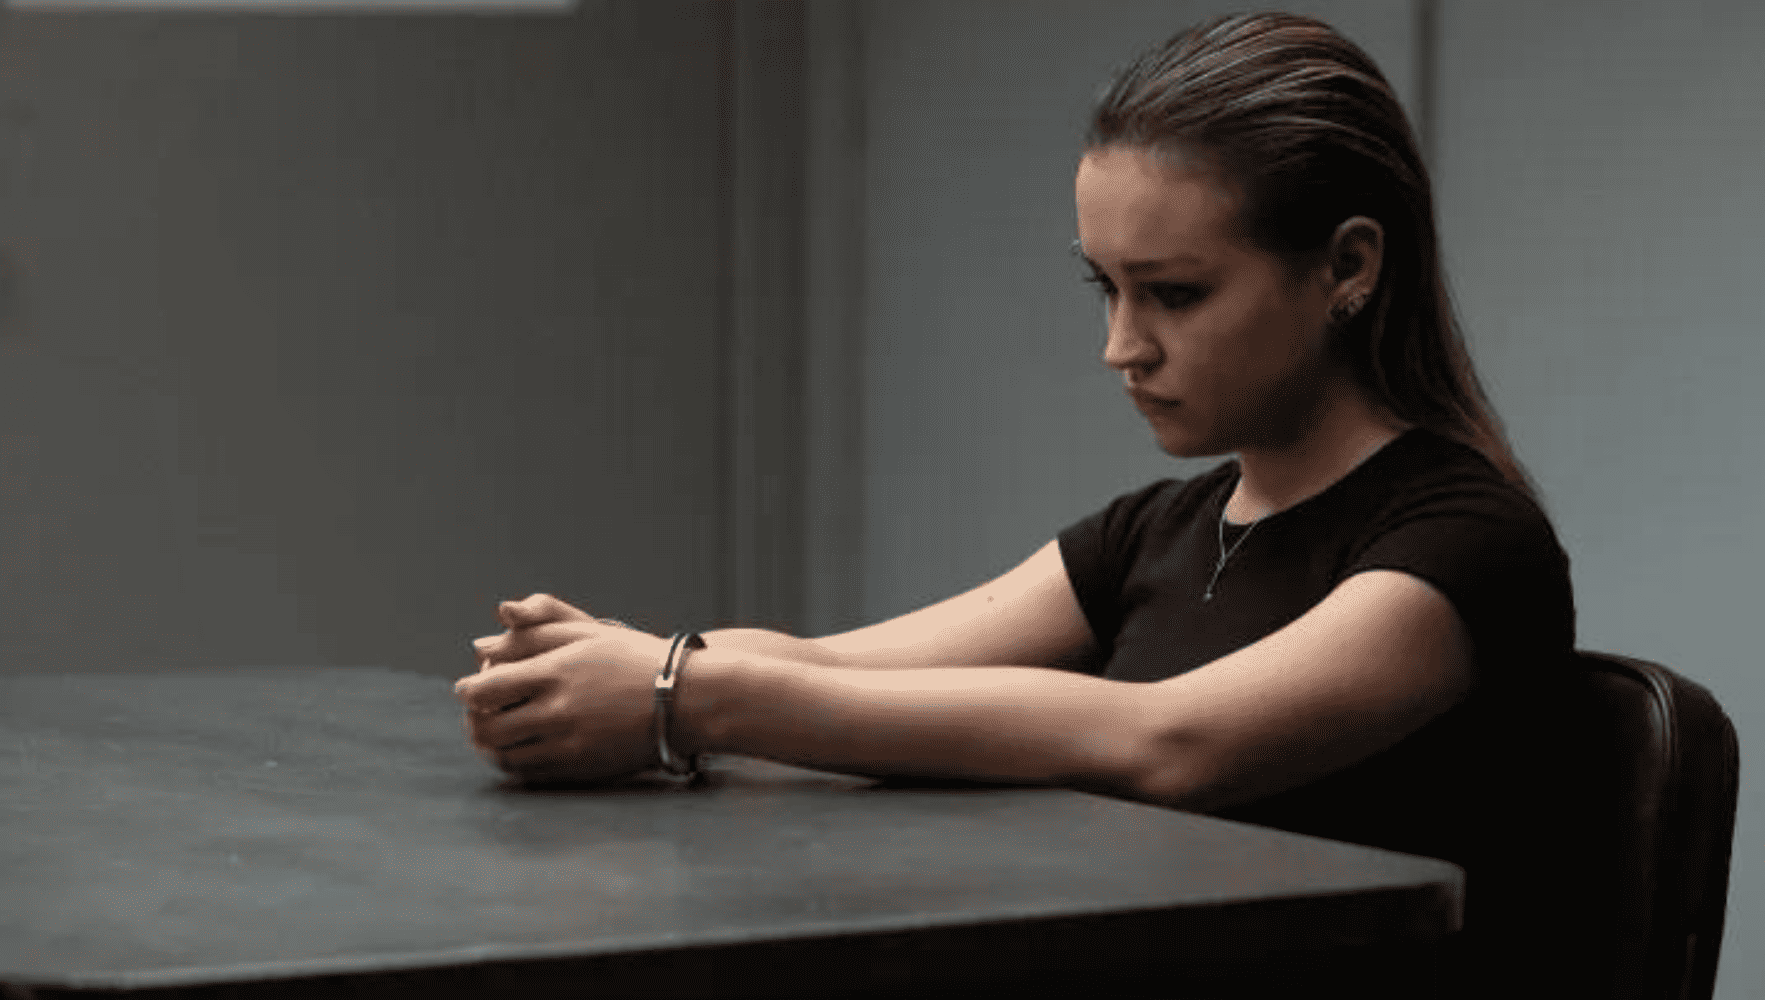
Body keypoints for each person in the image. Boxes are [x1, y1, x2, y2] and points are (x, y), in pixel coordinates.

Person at [454, 12, 1579, 995]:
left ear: (1346, 266)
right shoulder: (1156, 531)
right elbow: (838, 668)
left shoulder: (1465, 542)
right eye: (1107, 287)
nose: (1120, 347)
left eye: (1174, 294)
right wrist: (623, 661)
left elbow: (1170, 742)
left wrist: (673, 693)